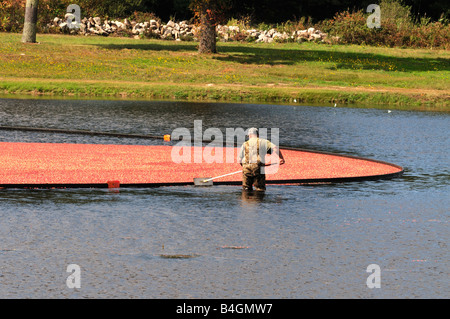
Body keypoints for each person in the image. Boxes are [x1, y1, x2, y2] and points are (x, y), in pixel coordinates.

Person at [237, 128, 285, 192]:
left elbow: (239, 159)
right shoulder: (264, 142)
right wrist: (281, 158)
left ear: (249, 135)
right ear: (258, 135)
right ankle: (259, 200)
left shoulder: (245, 144)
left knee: (246, 189)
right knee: (260, 189)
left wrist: (244, 166)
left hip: (246, 168)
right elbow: (275, 148)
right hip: (258, 168)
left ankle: (246, 200)